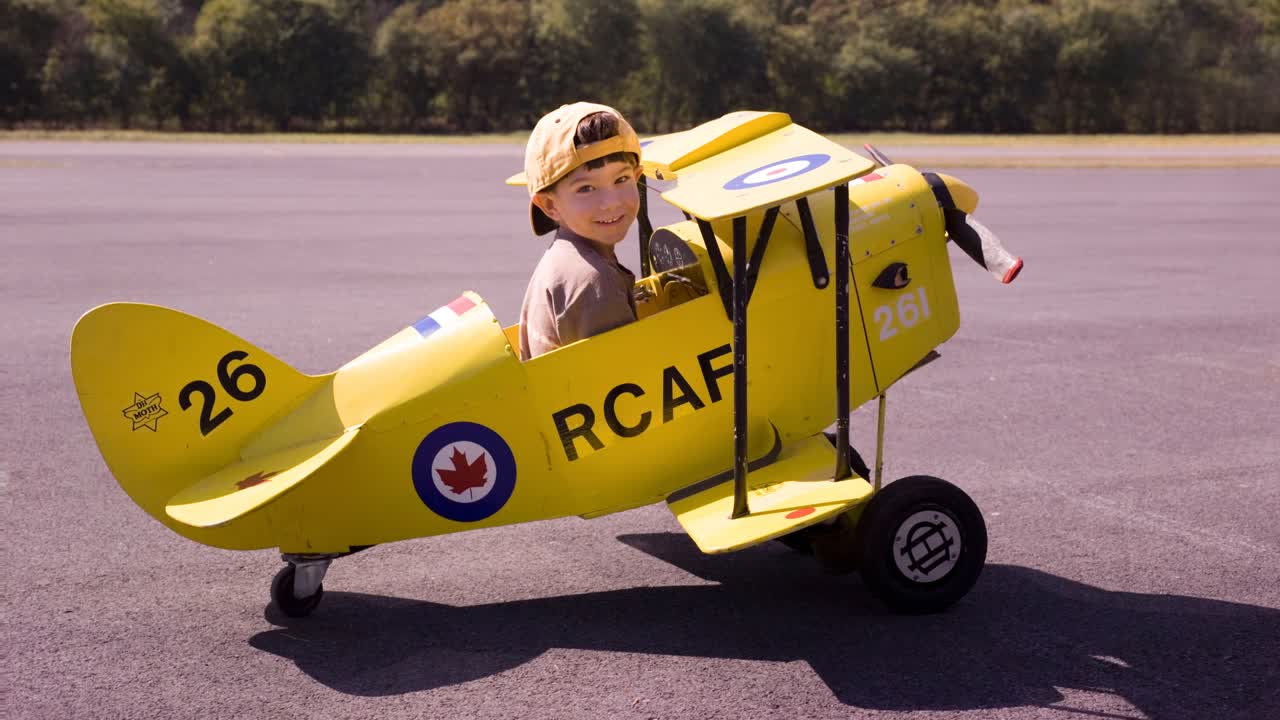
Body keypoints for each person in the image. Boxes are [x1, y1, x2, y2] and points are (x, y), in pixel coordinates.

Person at [517, 102, 643, 360]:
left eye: (621, 179)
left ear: (637, 176)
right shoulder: (594, 282)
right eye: (586, 188)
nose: (611, 202)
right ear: (550, 205)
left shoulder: (562, 259)